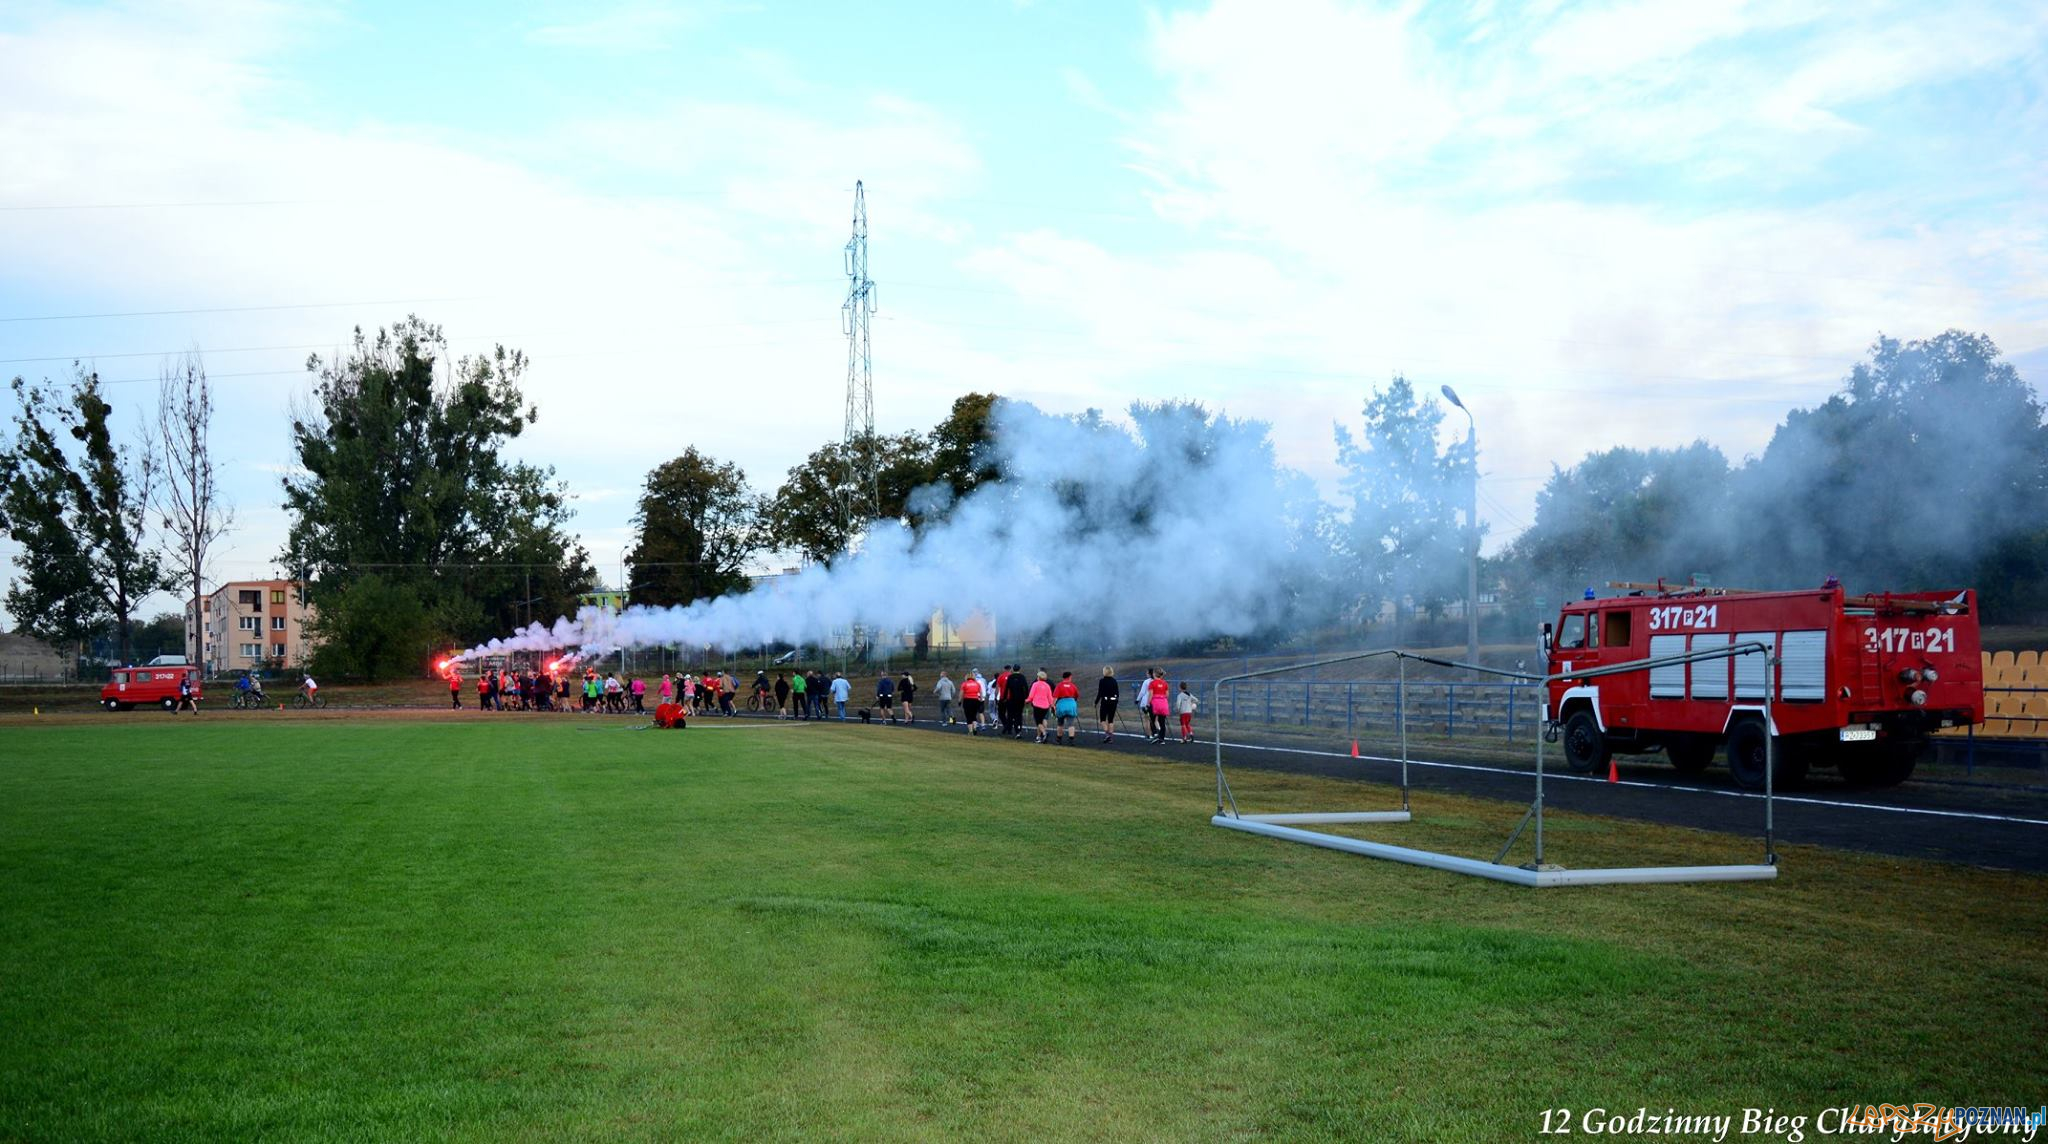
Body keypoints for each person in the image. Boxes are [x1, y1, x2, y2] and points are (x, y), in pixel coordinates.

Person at [1053, 670, 1081, 745]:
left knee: (1060, 723)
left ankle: (1059, 739)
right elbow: (1077, 695)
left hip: (1061, 704)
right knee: (1071, 724)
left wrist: (1052, 705)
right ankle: (1071, 740)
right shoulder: (1073, 686)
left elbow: (1055, 697)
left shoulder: (1059, 685)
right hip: (1071, 704)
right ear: (1070, 677)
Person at [1026, 670, 1053, 744]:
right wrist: (1052, 705)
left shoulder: (1035, 684)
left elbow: (1031, 695)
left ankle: (1044, 733)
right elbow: (1050, 697)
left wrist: (1027, 700)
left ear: (1039, 677)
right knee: (1043, 720)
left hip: (1037, 705)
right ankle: (1039, 737)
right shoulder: (1047, 685)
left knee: (1038, 722)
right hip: (1046, 706)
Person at [1095, 667, 1120, 742]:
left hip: (1105, 702)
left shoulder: (1102, 681)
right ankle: (1110, 737)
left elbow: (1100, 693)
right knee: (1110, 720)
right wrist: (1116, 701)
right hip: (1113, 702)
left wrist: (1096, 702)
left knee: (1102, 719)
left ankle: (1107, 735)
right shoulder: (1114, 681)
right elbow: (1117, 693)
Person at [1004, 665, 1029, 738]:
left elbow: (1006, 688)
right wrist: (1027, 698)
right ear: (1019, 669)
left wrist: (1004, 698)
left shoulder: (1010, 677)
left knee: (1010, 714)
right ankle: (1018, 730)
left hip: (1011, 699)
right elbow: (1026, 687)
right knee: (1018, 715)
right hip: (1020, 699)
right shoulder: (1022, 677)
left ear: (1013, 669)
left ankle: (1009, 729)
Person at [1147, 669, 1171, 744]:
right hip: (1163, 703)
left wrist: (1148, 703)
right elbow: (1167, 695)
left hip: (1154, 703)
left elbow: (1151, 694)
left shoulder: (1152, 683)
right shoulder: (1165, 683)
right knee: (1162, 722)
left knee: (1152, 720)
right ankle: (1162, 739)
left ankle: (1155, 734)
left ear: (1154, 674)